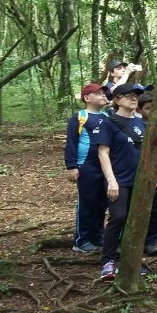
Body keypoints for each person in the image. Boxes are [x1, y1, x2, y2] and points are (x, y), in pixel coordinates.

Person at [96, 83, 154, 279]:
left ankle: (132, 262)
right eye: (128, 95)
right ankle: (108, 261)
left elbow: (148, 152)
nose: (133, 98)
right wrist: (111, 181)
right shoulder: (109, 123)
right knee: (118, 217)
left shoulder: (141, 123)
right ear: (117, 100)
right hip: (118, 179)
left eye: (136, 95)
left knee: (136, 220)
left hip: (139, 181)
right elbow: (103, 153)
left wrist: (156, 174)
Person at [65, 83, 109, 253]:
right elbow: (71, 143)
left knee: (102, 202)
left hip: (104, 166)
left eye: (103, 93)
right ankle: (81, 240)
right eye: (98, 93)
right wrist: (71, 166)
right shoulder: (79, 117)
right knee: (87, 202)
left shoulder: (107, 117)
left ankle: (97, 236)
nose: (103, 96)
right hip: (86, 166)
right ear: (87, 98)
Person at [137, 92, 157, 256]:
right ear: (140, 110)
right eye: (148, 108)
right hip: (140, 170)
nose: (151, 111)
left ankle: (151, 241)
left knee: (156, 206)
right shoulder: (137, 125)